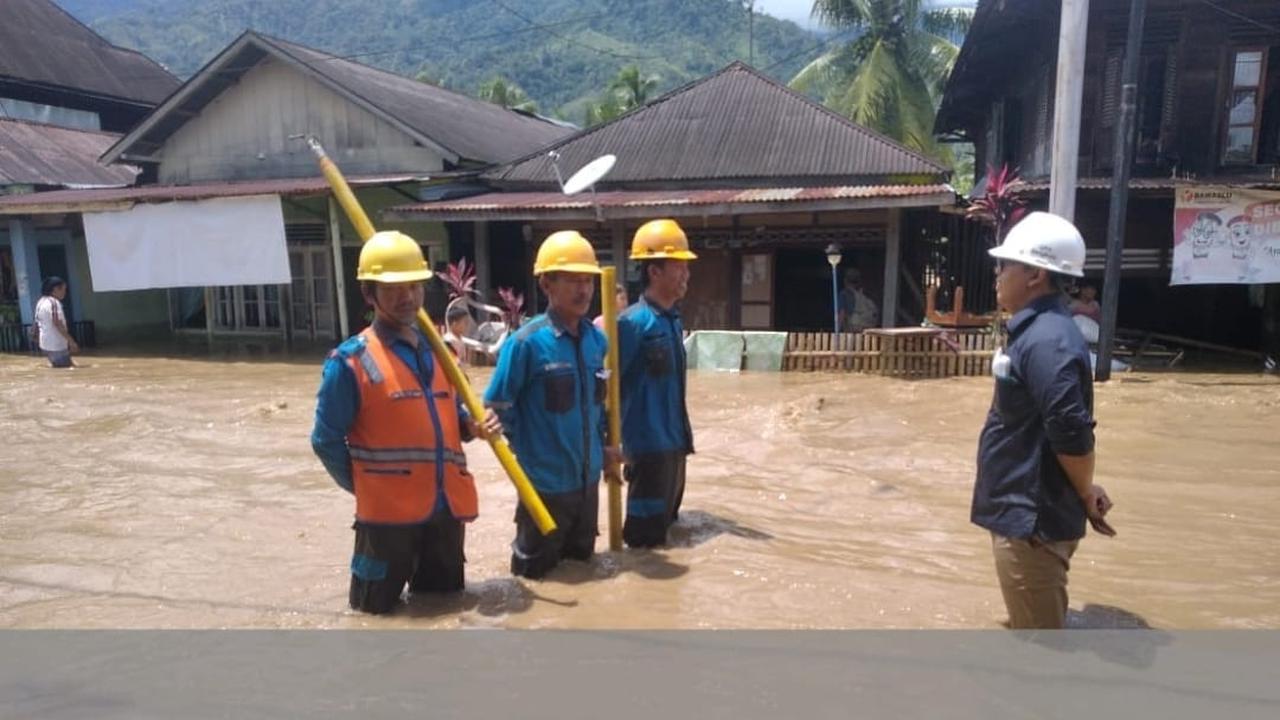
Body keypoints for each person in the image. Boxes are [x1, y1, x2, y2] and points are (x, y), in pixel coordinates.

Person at [311, 231, 499, 615]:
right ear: (369, 294)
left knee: (445, 613)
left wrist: (473, 427)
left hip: (444, 515)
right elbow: (325, 440)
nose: (407, 297)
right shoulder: (350, 362)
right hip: (385, 524)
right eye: (394, 288)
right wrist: (366, 486)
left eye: (413, 286)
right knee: (374, 622)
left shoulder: (441, 355)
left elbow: (451, 417)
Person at [974, 211, 1116, 630]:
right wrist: (1085, 488)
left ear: (1034, 274)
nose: (998, 275)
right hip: (1025, 511)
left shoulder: (1048, 341)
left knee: (1039, 652)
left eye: (1005, 266)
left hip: (1031, 523)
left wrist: (1085, 488)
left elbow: (1072, 433)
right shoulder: (1039, 333)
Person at [484, 230, 612, 578]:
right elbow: (495, 410)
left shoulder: (597, 341)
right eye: (572, 281)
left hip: (587, 487)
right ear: (546, 285)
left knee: (583, 576)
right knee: (535, 581)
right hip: (543, 490)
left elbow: (599, 409)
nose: (583, 290)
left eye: (587, 280)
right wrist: (530, 457)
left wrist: (608, 452)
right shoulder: (525, 344)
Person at [616, 219, 696, 548]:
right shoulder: (632, 323)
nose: (686, 275)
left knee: (669, 537)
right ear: (655, 272)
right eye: (679, 267)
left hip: (675, 447)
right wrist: (609, 447)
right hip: (647, 451)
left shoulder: (672, 320)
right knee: (644, 547)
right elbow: (606, 388)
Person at [34, 276, 78, 368]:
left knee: (61, 368)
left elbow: (38, 323)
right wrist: (71, 341)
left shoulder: (41, 302)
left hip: (45, 343)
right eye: (63, 289)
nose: (65, 293)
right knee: (66, 371)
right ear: (55, 289)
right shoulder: (54, 303)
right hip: (56, 344)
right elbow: (57, 323)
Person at [837, 268, 879, 332]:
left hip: (852, 328)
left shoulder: (844, 294)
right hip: (866, 328)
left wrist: (837, 330)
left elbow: (842, 314)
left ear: (845, 280)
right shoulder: (864, 295)